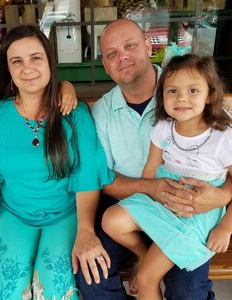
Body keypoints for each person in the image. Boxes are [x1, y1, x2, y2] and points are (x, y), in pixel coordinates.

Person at [75, 19, 232, 300]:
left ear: (148, 46)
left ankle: (151, 266)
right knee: (92, 274)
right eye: (111, 54)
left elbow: (223, 159)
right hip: (135, 202)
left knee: (187, 292)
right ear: (105, 64)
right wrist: (152, 189)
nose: (121, 57)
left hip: (191, 205)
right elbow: (104, 179)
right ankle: (146, 258)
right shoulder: (103, 111)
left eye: (130, 46)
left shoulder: (186, 88)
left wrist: (220, 197)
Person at [0, 24, 114, 300]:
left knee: (53, 288)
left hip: (66, 215)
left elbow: (86, 175)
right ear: (8, 69)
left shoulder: (73, 114)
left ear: (50, 62)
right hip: (14, 214)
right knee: (8, 289)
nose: (27, 68)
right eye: (17, 61)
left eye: (35, 58)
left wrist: (86, 231)